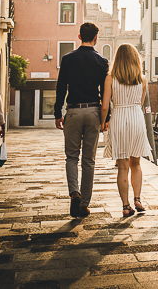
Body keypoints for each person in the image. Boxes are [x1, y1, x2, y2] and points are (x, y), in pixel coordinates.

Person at [55, 22, 109, 218]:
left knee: (71, 157)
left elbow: (61, 88)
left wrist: (57, 113)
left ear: (79, 37)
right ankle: (84, 204)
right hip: (94, 111)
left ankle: (74, 193)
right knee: (89, 160)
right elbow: (105, 93)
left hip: (73, 111)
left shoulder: (68, 59)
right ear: (96, 38)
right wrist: (106, 117)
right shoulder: (102, 62)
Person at [100, 43, 152, 217]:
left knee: (123, 167)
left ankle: (126, 205)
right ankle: (138, 199)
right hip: (136, 119)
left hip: (119, 119)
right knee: (136, 164)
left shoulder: (110, 78)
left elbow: (105, 106)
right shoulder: (142, 79)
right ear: (135, 59)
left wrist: (102, 123)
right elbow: (140, 104)